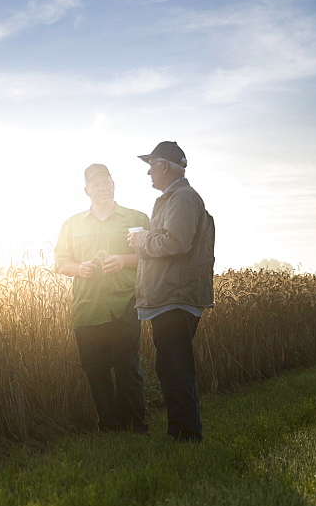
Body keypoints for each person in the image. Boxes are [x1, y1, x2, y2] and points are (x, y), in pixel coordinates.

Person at [127, 141, 215, 442]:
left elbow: (175, 243)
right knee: (170, 368)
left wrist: (141, 240)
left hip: (174, 299)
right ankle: (182, 432)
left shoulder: (183, 198)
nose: (149, 172)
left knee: (175, 369)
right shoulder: (172, 199)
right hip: (169, 298)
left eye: (151, 165)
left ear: (164, 165)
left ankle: (186, 435)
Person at [55, 163, 150, 434]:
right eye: (96, 185)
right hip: (87, 307)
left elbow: (152, 256)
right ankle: (109, 425)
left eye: (107, 182)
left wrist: (124, 260)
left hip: (125, 304)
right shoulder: (72, 224)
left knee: (127, 367)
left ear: (113, 185)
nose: (103, 188)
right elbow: (61, 262)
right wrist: (79, 268)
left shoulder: (137, 218)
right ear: (87, 190)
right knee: (95, 369)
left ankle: (135, 425)